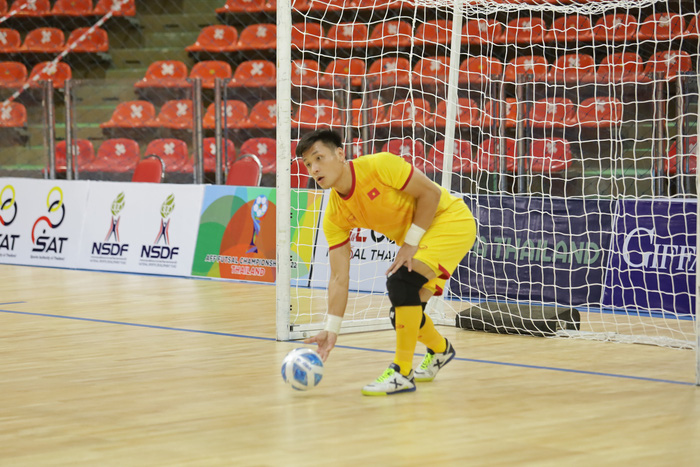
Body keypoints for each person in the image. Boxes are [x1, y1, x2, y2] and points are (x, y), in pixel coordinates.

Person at [298, 129, 477, 396]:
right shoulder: (334, 214)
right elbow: (338, 278)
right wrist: (331, 329)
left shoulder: (380, 165)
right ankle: (441, 350)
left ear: (339, 153)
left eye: (319, 158)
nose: (314, 169)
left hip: (450, 221)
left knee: (400, 282)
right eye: (308, 164)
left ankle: (402, 373)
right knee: (403, 312)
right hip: (423, 238)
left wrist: (410, 243)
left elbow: (430, 194)